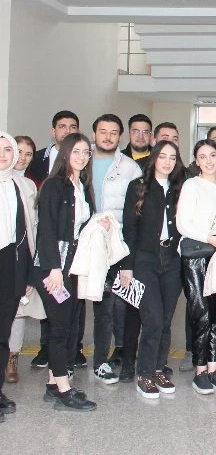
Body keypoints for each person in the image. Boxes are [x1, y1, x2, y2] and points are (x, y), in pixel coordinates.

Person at [35, 133, 98, 411]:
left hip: (73, 264)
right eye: (76, 152)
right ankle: (64, 389)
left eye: (86, 152)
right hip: (54, 267)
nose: (82, 157)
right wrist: (54, 269)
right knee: (60, 327)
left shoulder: (82, 185)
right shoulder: (54, 185)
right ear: (65, 154)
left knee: (69, 323)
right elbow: (46, 229)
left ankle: (53, 382)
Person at [121, 141, 185, 398]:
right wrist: (127, 266)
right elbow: (129, 228)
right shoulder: (138, 187)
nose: (167, 162)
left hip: (172, 258)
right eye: (163, 156)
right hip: (145, 259)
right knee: (153, 318)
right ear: (154, 158)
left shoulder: (181, 188)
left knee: (166, 319)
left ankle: (159, 368)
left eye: (172, 157)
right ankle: (145, 373)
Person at [176, 139, 216, 395]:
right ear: (197, 161)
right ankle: (200, 370)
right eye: (202, 156)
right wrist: (210, 238)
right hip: (196, 256)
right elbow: (183, 223)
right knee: (201, 314)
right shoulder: (191, 185)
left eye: (212, 155)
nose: (209, 161)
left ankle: (213, 368)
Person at [89, 114, 142, 386]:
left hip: (118, 245)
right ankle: (91, 359)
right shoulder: (81, 161)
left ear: (120, 136)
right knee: (92, 305)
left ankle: (115, 356)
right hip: (87, 244)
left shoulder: (130, 168)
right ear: (94, 134)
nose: (108, 137)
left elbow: (137, 211)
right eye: (103, 131)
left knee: (114, 305)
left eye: (113, 132)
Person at [0, 132, 37, 422]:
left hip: (12, 264)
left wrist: (28, 274)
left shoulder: (22, 185)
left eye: (7, 149)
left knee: (4, 332)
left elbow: (29, 232)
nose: (3, 154)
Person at [26, 110, 80, 188]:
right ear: (53, 132)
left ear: (78, 132)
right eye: (62, 127)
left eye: (73, 127)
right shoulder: (36, 159)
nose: (68, 131)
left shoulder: (85, 159)